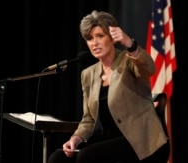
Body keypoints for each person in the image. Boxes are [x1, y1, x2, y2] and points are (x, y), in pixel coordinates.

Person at [48, 10, 169, 163]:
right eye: (90, 38)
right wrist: (76, 138)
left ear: (112, 38)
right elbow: (89, 118)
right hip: (109, 139)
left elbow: (149, 68)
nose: (94, 43)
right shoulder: (88, 74)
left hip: (142, 140)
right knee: (57, 158)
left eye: (100, 36)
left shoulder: (129, 60)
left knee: (87, 157)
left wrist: (130, 45)